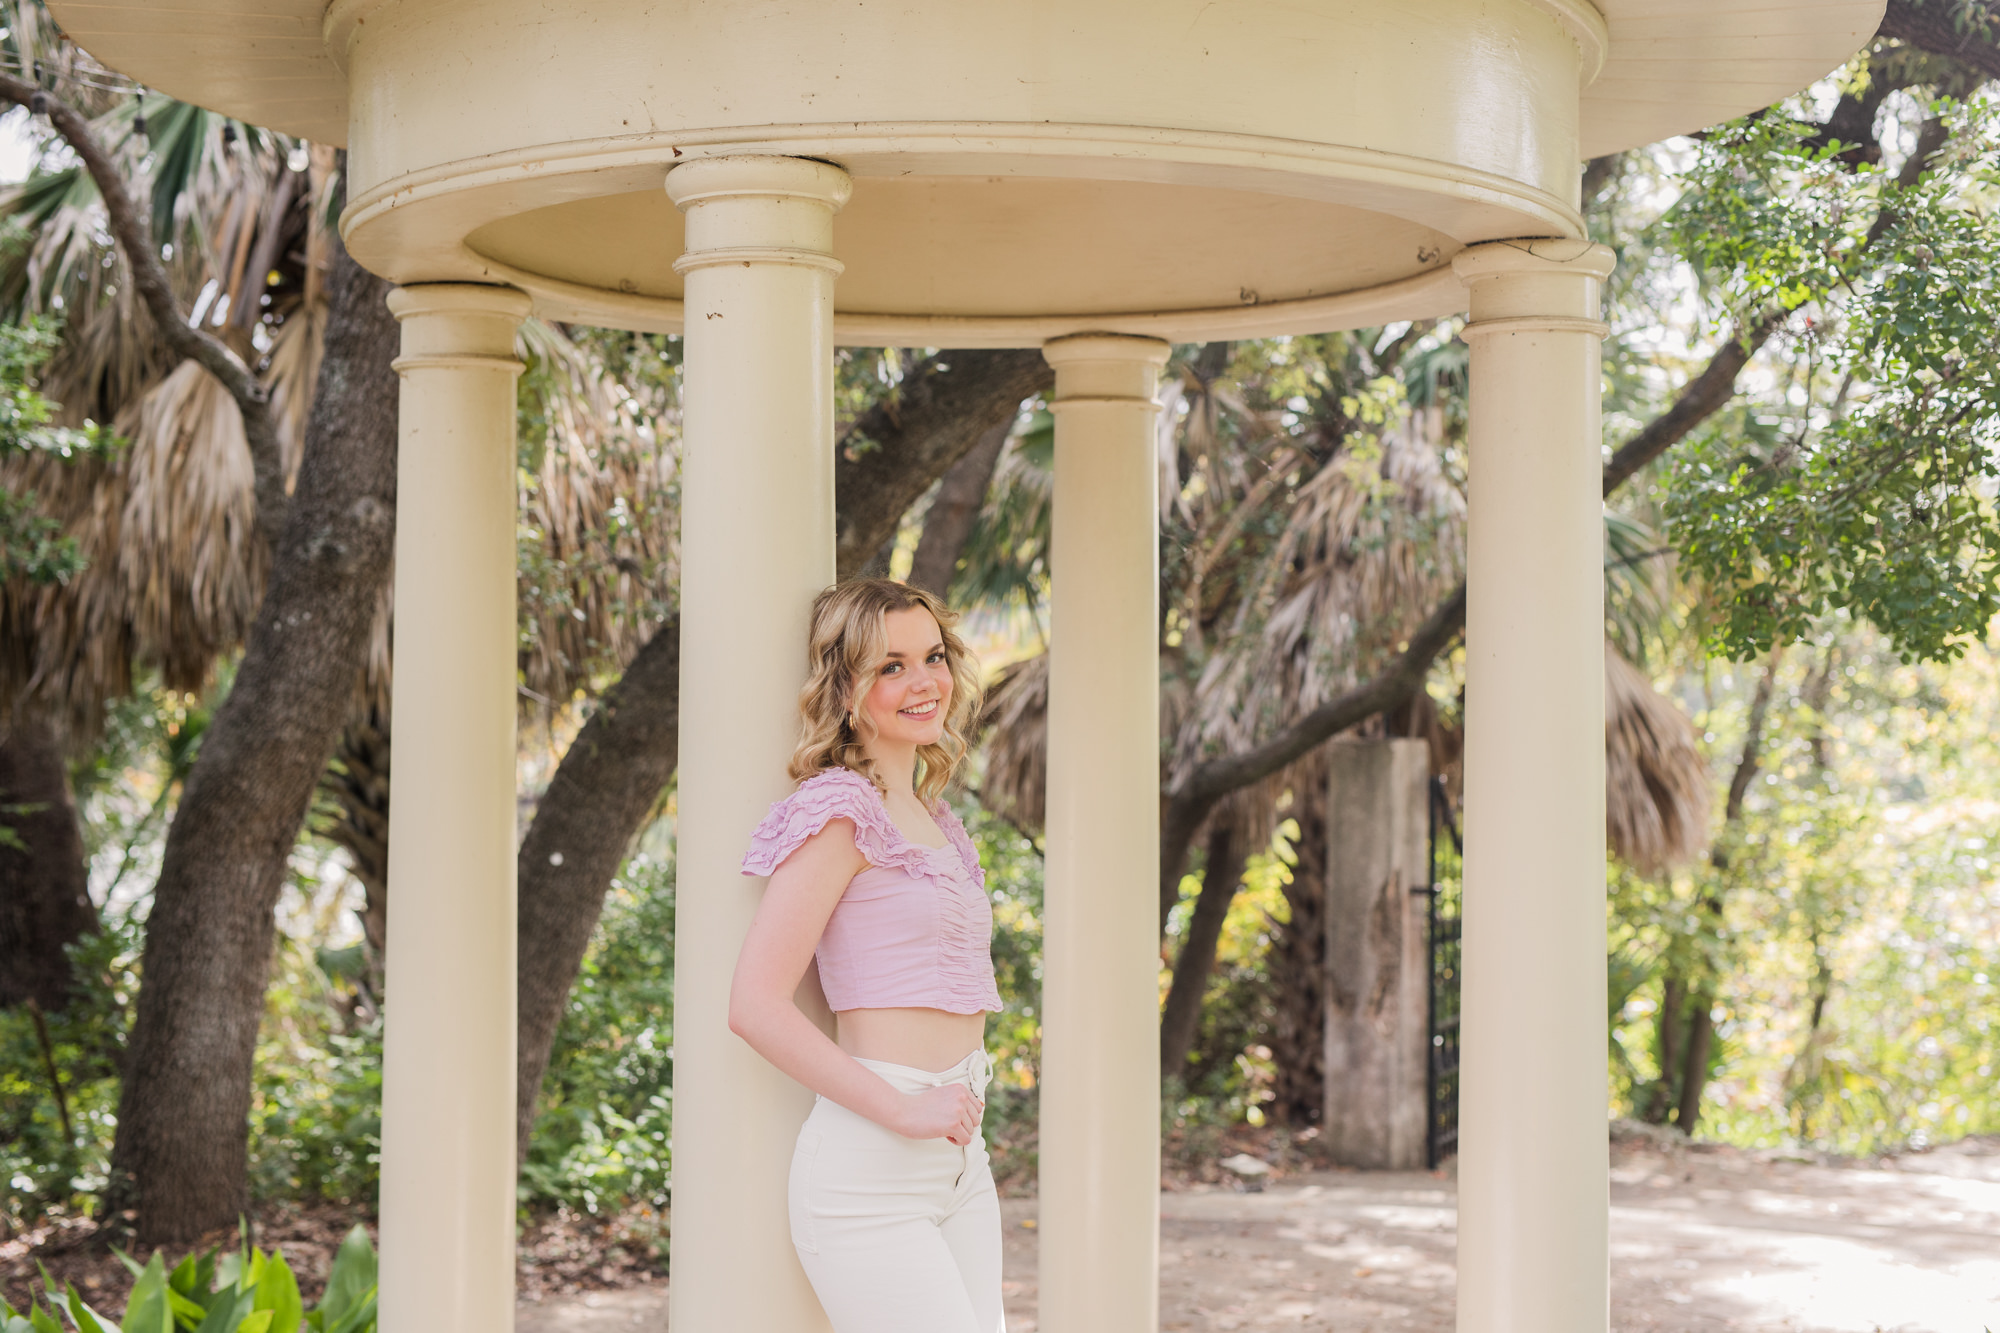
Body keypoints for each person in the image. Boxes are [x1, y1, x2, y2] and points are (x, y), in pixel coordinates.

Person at [730, 577, 1004, 1333]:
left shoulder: (934, 816)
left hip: (959, 1164)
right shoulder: (840, 811)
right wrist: (905, 1110)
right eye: (891, 666)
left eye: (933, 656)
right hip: (871, 1175)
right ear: (846, 687)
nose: (925, 682)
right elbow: (753, 1005)